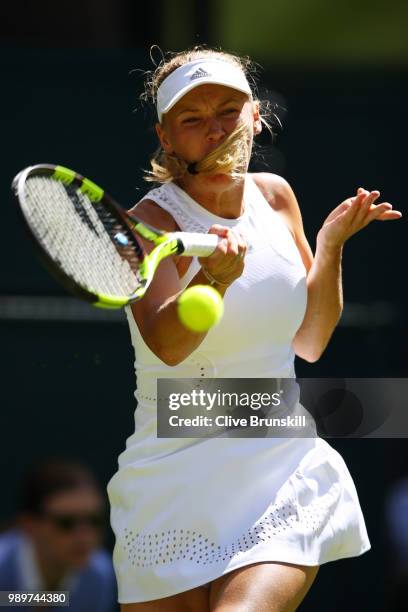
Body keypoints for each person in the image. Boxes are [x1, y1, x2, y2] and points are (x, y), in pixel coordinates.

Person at [106, 47, 402, 611]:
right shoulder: (148, 223)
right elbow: (168, 347)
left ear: (256, 116)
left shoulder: (276, 196)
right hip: (170, 471)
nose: (214, 130)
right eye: (192, 120)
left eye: (228, 110)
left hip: (279, 461)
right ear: (166, 138)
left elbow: (309, 342)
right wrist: (212, 283)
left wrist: (330, 247)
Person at [0, 459, 117, 612]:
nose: (85, 536)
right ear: (29, 524)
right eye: (66, 523)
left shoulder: (100, 576)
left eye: (95, 520)